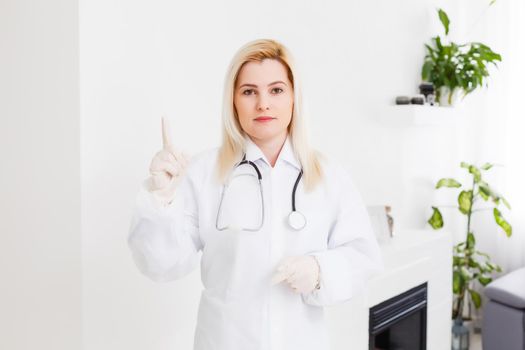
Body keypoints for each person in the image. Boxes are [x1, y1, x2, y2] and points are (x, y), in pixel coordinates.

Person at [127, 38, 384, 350]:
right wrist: (161, 198)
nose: (263, 103)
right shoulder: (204, 172)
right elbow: (161, 264)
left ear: (293, 98)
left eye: (276, 90)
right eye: (249, 91)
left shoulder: (328, 175)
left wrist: (320, 271)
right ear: (233, 100)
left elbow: (363, 256)